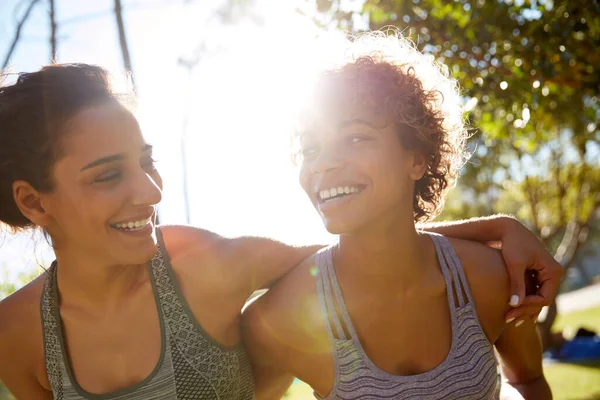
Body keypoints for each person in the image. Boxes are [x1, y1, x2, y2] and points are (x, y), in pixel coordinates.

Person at [0, 64, 557, 399]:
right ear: (32, 200)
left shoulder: (206, 265)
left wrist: (497, 229)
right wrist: (498, 228)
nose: (150, 191)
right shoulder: (17, 334)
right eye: (108, 174)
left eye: (147, 161)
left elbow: (367, 246)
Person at [242, 33, 553, 399]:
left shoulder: (489, 278)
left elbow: (529, 380)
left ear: (416, 159)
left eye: (356, 138)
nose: (323, 163)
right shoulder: (277, 321)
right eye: (311, 148)